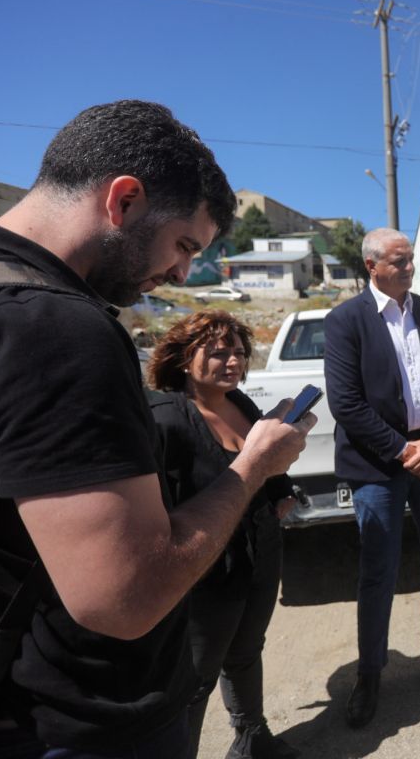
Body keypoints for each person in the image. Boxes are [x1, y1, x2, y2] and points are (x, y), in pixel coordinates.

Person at [0, 100, 312, 758]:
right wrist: (252, 469)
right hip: (66, 722)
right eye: (185, 245)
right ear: (123, 200)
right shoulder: (53, 327)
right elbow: (124, 596)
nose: (182, 273)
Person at [323, 227, 420, 731]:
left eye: (411, 259)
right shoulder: (346, 321)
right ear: (371, 266)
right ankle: (370, 673)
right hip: (379, 463)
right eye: (399, 261)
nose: (409, 268)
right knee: (380, 569)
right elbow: (346, 403)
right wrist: (403, 451)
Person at [147, 311, 300, 759]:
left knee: (247, 650)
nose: (233, 361)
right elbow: (154, 506)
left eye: (238, 352)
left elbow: (264, 466)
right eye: (218, 353)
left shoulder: (243, 404)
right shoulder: (165, 419)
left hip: (260, 553)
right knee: (197, 676)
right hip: (205, 569)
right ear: (183, 358)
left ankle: (252, 739)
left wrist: (282, 493)